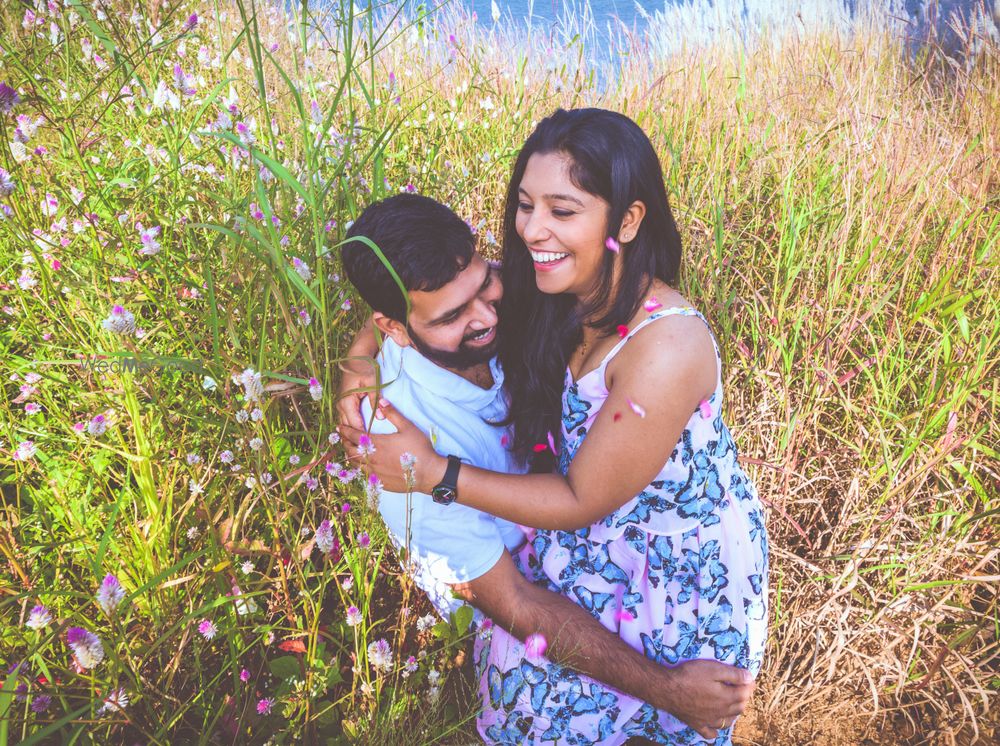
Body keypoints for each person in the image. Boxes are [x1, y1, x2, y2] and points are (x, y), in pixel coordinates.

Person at [339, 108, 769, 744]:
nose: (533, 230)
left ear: (626, 220)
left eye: (561, 210)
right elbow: (512, 600)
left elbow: (578, 500)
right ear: (395, 327)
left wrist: (434, 469)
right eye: (525, 205)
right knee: (529, 712)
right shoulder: (397, 448)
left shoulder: (650, 341)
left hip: (676, 567)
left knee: (670, 716)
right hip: (569, 553)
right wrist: (361, 370)